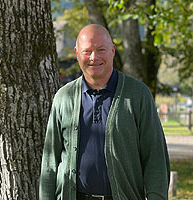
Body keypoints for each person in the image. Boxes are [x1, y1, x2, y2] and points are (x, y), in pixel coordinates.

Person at [39, 24, 170, 200]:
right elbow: (50, 162)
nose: (94, 57)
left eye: (101, 49)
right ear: (77, 53)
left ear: (113, 51)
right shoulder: (64, 97)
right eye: (87, 51)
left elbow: (155, 157)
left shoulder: (138, 94)